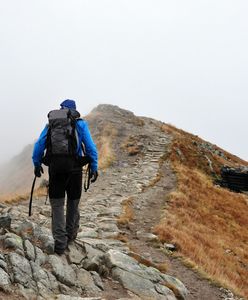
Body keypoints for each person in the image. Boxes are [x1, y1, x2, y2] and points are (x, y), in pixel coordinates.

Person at [32, 99, 98, 255]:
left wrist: (37, 164)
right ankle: (71, 236)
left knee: (57, 206)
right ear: (74, 110)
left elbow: (39, 145)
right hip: (75, 170)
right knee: (73, 204)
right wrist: (94, 166)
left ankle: (60, 243)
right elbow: (90, 147)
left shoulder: (51, 124)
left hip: (55, 170)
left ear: (61, 109)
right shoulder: (80, 124)